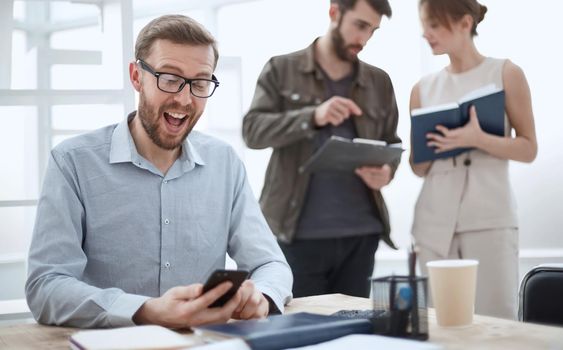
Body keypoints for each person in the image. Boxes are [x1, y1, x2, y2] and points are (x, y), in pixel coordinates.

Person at [25, 14, 292, 329]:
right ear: (137, 77)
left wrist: (260, 295)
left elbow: (271, 264)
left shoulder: (225, 163)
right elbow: (46, 285)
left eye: (200, 82)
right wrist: (146, 310)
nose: (184, 98)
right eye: (169, 78)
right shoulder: (72, 162)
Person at [242, 0, 401, 298]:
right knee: (301, 334)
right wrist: (313, 116)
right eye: (360, 26)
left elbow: (392, 143)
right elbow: (252, 131)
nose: (364, 39)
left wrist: (387, 171)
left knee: (354, 336)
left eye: (373, 30)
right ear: (334, 12)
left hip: (361, 235)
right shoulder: (281, 68)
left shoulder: (379, 81)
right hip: (297, 235)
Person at [410, 0, 537, 319]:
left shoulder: (506, 72)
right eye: (424, 25)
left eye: (434, 25)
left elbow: (528, 148)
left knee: (497, 322)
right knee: (437, 326)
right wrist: (432, 148)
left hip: (489, 219)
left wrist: (477, 139)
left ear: (465, 23)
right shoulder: (422, 88)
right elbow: (418, 167)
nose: (426, 34)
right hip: (434, 224)